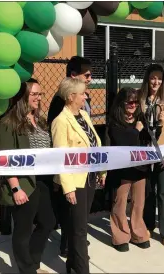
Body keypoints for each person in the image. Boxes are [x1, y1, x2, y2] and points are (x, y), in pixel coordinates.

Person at [0, 78, 56, 274]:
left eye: (40, 94)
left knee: (47, 222)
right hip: (23, 183)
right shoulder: (8, 123)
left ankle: (32, 262)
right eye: (34, 94)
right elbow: (5, 160)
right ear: (23, 97)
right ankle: (27, 270)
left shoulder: (39, 119)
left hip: (42, 181)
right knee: (23, 230)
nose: (39, 98)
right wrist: (15, 188)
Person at [51, 78, 106, 274]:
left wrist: (101, 170)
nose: (86, 96)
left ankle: (72, 265)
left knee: (79, 226)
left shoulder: (83, 115)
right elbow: (61, 158)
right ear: (71, 96)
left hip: (89, 177)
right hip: (75, 182)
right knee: (80, 230)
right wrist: (69, 188)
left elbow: (94, 143)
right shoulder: (60, 121)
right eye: (82, 93)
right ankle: (82, 269)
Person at [47, 56, 92, 257]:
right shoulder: (60, 107)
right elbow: (60, 145)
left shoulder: (82, 109)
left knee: (79, 222)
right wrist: (64, 181)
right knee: (71, 219)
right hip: (70, 174)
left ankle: (74, 246)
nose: (90, 79)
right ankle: (70, 247)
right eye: (87, 75)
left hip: (86, 172)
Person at [107, 87, 154, 252]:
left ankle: (138, 233)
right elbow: (122, 141)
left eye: (135, 102)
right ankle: (120, 236)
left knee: (138, 203)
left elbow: (148, 138)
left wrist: (158, 125)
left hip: (140, 168)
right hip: (122, 170)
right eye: (129, 102)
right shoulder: (115, 121)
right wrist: (136, 130)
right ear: (122, 103)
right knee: (119, 203)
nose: (133, 105)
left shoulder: (140, 119)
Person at [139, 64, 164, 248]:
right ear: (147, 78)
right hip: (145, 152)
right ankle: (148, 224)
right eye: (153, 78)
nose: (156, 82)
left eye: (159, 78)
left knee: (163, 191)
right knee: (148, 191)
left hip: (163, 152)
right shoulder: (140, 96)